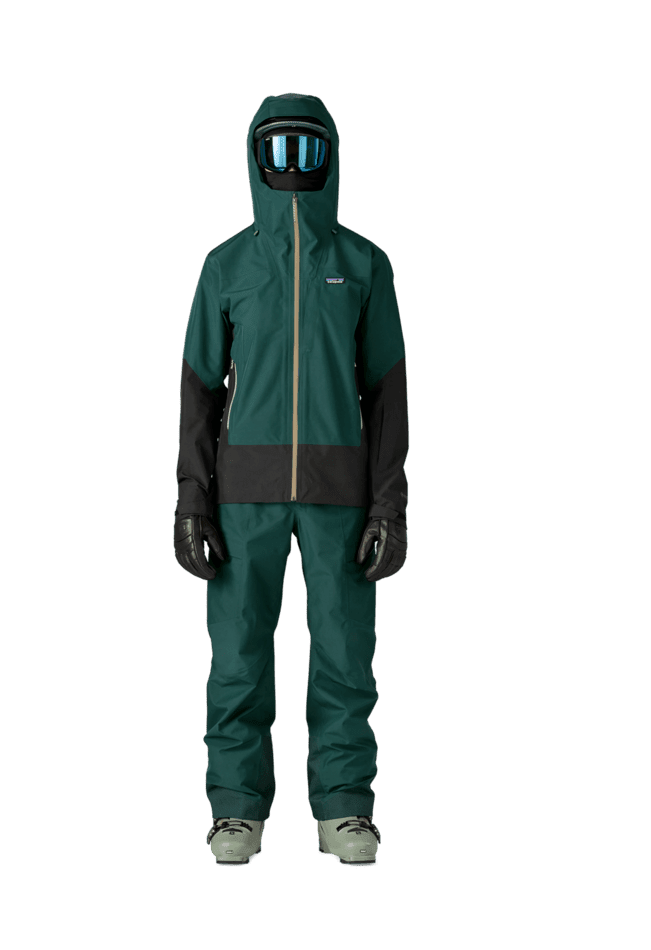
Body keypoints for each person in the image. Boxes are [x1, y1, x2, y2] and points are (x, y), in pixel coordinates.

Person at [174, 93, 409, 866]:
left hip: (342, 493)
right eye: (277, 150)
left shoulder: (364, 263)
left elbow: (387, 393)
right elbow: (199, 393)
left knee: (345, 654)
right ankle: (235, 809)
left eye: (307, 149)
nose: (292, 165)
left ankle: (344, 807)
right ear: (254, 158)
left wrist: (389, 504)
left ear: (331, 156)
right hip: (243, 493)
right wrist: (192, 499)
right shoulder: (226, 265)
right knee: (238, 654)